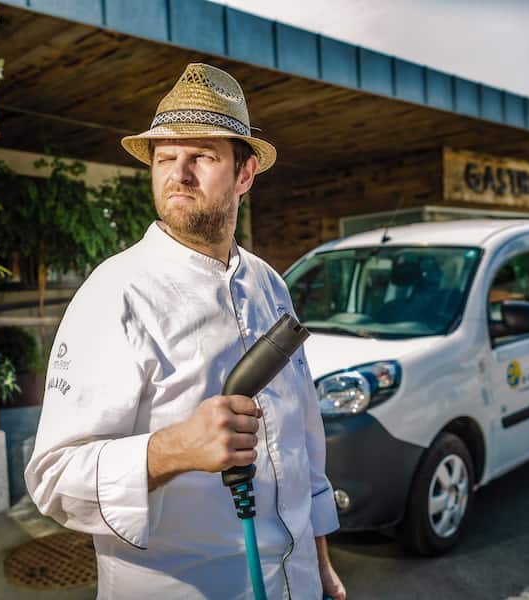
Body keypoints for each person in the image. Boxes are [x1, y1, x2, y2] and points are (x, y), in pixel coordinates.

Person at [25, 63, 346, 600]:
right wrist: (174, 448)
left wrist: (319, 562)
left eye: (202, 156)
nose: (179, 173)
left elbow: (302, 441)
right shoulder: (116, 293)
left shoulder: (269, 284)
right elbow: (54, 479)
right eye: (166, 158)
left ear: (245, 175)